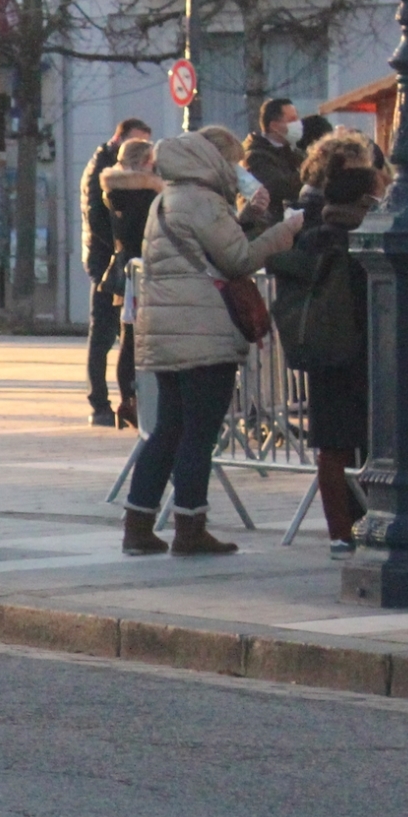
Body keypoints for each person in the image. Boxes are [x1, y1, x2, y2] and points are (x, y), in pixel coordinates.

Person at [122, 128, 302, 557]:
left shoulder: (164, 200)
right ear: (211, 161)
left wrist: (248, 220)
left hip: (165, 334)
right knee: (198, 435)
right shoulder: (203, 201)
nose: (236, 170)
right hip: (202, 333)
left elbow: (213, 247)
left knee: (167, 429)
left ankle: (138, 525)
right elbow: (237, 258)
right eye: (231, 163)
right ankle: (190, 527)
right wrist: (286, 229)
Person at [284, 136, 381, 556]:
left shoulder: (314, 236)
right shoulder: (365, 242)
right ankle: (358, 524)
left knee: (333, 443)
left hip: (325, 352)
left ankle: (341, 530)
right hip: (364, 351)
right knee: (365, 441)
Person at [82, 118, 151, 425]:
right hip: (107, 262)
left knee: (125, 334)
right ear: (119, 139)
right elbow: (96, 218)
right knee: (104, 334)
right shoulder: (102, 171)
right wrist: (117, 250)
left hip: (119, 261)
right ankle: (99, 403)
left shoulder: (128, 180)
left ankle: (121, 402)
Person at [98, 134, 163, 429]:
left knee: (128, 338)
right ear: (147, 162)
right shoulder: (150, 195)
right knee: (145, 337)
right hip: (147, 269)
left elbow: (100, 228)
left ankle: (127, 399)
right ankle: (141, 400)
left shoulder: (111, 191)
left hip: (124, 267)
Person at [240, 97, 304, 234]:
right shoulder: (255, 157)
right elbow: (278, 187)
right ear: (274, 126)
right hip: (265, 231)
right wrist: (311, 174)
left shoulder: (293, 153)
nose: (298, 124)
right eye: (292, 120)